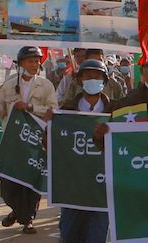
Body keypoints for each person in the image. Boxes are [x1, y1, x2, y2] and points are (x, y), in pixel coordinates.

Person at [0, 46, 57, 235]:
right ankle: (17, 210)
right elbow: (0, 114)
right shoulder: (9, 85)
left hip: (34, 140)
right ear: (21, 63)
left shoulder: (46, 85)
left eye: (37, 61)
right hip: (12, 141)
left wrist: (29, 107)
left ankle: (27, 220)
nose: (35, 64)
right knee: (8, 182)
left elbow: (53, 111)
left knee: (30, 182)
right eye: (31, 61)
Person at [48, 59, 110, 243]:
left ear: (104, 81)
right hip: (72, 191)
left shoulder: (116, 112)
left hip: (102, 192)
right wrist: (49, 126)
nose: (92, 80)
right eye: (88, 76)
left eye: (97, 76)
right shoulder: (65, 112)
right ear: (80, 80)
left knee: (96, 237)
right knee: (69, 236)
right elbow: (50, 146)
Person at [61, 48, 125, 107]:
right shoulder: (75, 84)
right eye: (92, 61)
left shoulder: (114, 85)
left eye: (99, 60)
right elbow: (66, 105)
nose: (96, 64)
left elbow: (122, 108)